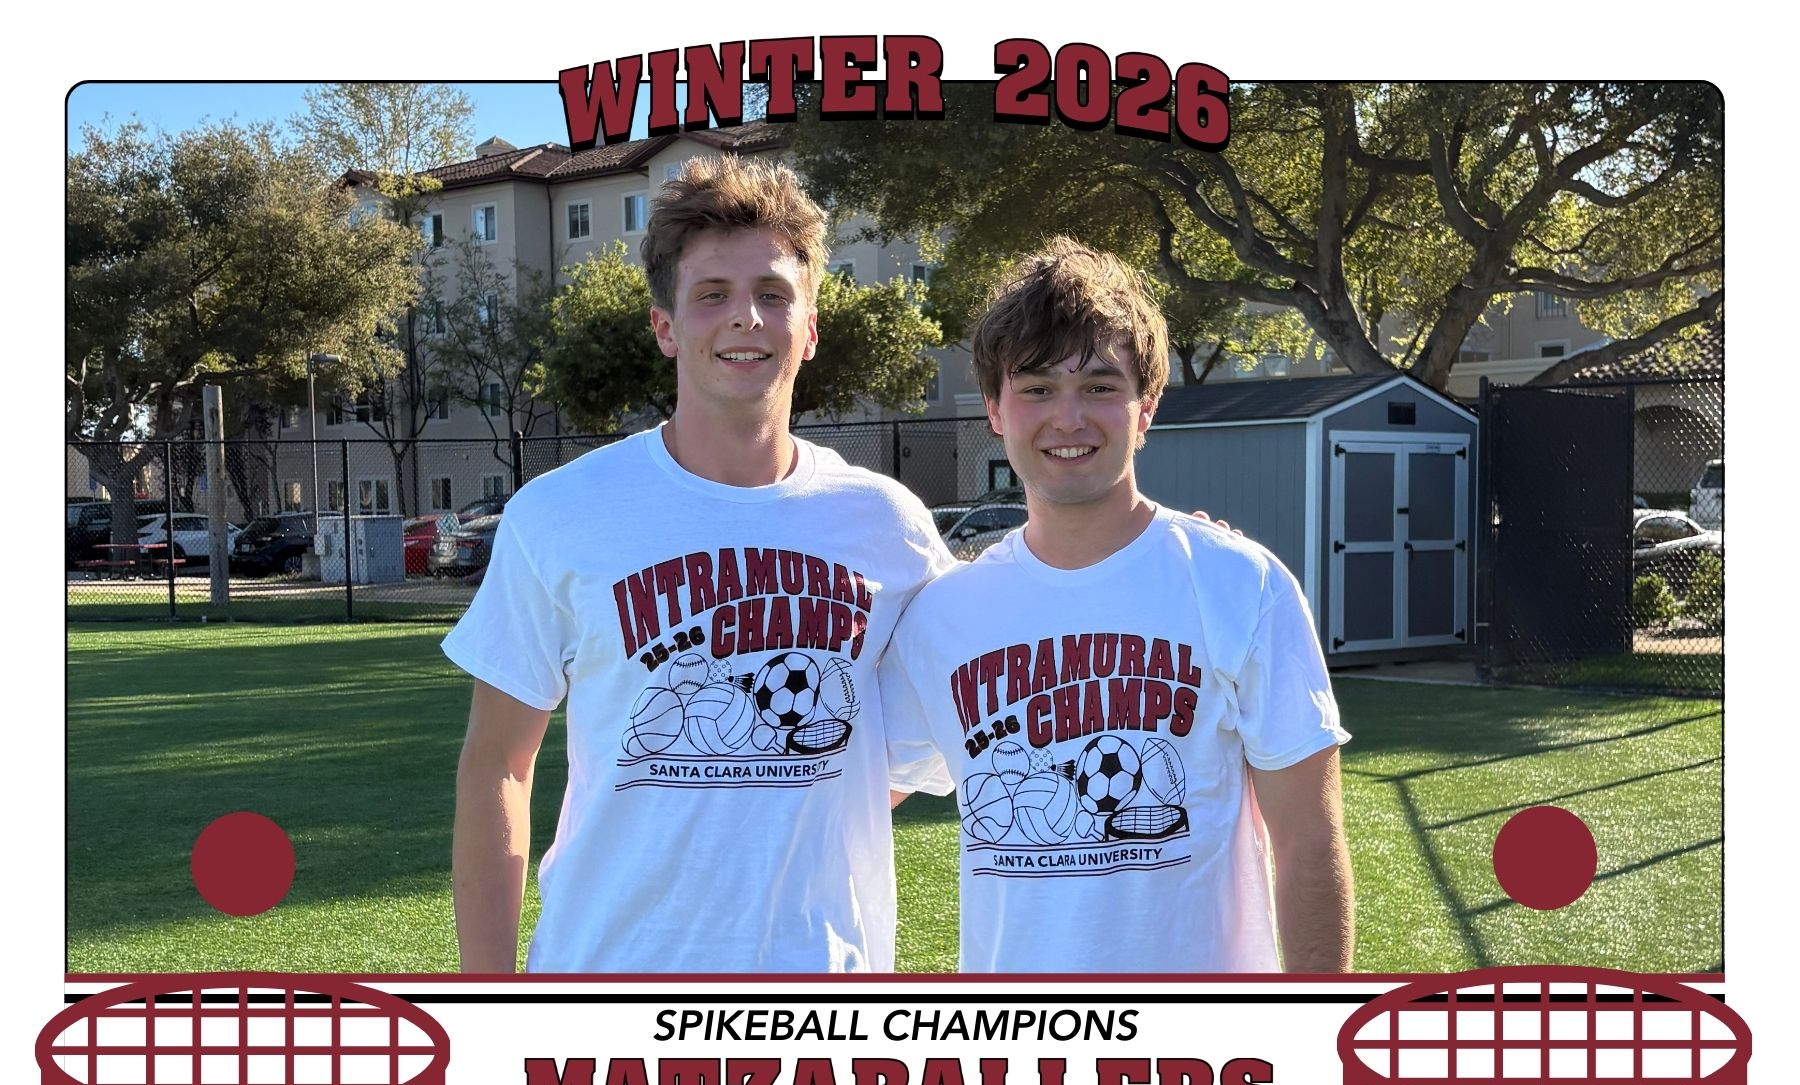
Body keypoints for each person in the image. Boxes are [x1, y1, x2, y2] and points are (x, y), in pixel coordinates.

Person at [444, 156, 952, 973]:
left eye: (773, 294)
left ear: (810, 328)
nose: (745, 317)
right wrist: (487, 999)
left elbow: (918, 744)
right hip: (604, 983)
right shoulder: (560, 514)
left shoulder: (890, 527)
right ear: (666, 328)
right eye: (712, 294)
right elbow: (497, 764)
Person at [881, 238, 1354, 973]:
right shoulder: (943, 617)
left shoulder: (1239, 584)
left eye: (1100, 386)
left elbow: (1309, 842)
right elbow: (839, 797)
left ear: (1146, 409)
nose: (1068, 418)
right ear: (995, 411)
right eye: (1037, 388)